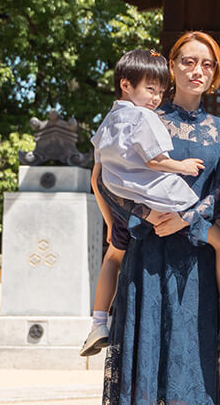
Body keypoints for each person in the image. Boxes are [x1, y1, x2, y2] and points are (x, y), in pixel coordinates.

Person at [102, 31, 220, 405]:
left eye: (207, 64)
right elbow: (106, 177)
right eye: (188, 62)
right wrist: (147, 213)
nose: (198, 70)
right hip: (147, 255)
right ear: (172, 68)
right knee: (144, 361)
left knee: (192, 362)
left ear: (216, 72)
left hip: (195, 259)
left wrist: (187, 218)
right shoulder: (140, 116)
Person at [82, 49, 169, 356]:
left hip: (118, 207)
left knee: (112, 259)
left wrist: (110, 221)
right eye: (150, 89)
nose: (156, 98)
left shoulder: (107, 123)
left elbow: (96, 178)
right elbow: (158, 163)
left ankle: (97, 323)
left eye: (160, 91)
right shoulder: (142, 119)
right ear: (125, 84)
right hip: (146, 204)